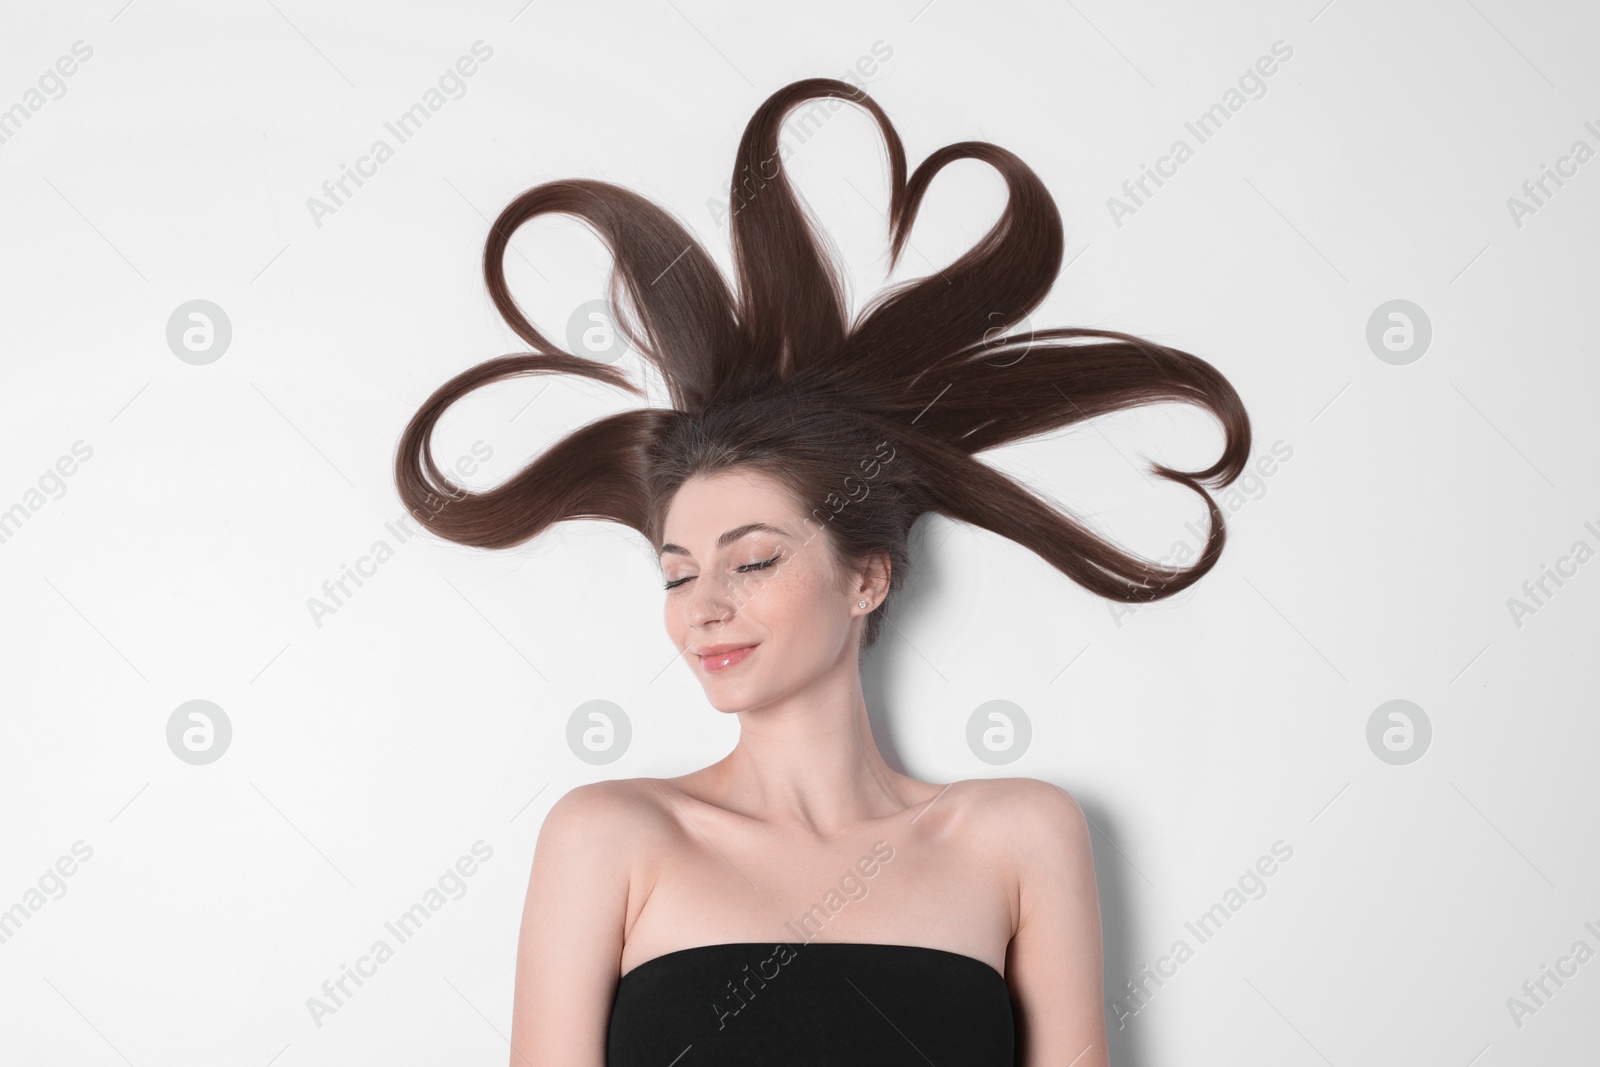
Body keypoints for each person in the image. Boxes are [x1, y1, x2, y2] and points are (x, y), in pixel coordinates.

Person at [394, 77, 1251, 1066]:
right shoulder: (612, 832)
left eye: (752, 559)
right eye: (676, 574)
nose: (703, 608)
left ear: (866, 579)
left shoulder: (1017, 832)